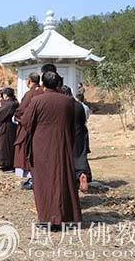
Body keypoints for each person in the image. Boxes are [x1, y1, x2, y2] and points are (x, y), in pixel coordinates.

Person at [21, 71, 82, 230]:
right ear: (58, 84)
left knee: (44, 182)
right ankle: (65, 218)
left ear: (43, 83)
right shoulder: (68, 102)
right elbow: (71, 124)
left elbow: (26, 123)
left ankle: (47, 219)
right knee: (63, 180)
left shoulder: (37, 101)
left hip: (42, 146)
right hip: (63, 144)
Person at [14, 72, 41, 189]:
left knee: (28, 153)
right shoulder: (42, 91)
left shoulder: (30, 94)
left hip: (29, 128)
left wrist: (16, 118)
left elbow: (21, 111)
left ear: (29, 81)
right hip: (41, 128)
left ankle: (32, 179)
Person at [62, 86, 92, 193]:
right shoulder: (79, 105)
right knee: (80, 156)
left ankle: (73, 179)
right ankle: (82, 174)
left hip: (70, 135)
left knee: (69, 159)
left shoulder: (66, 106)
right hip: (81, 134)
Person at [0, 88, 19, 171]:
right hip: (8, 126)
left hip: (7, 127)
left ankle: (7, 165)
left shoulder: (9, 104)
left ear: (5, 95)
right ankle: (5, 164)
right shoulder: (13, 102)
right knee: (4, 145)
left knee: (5, 146)